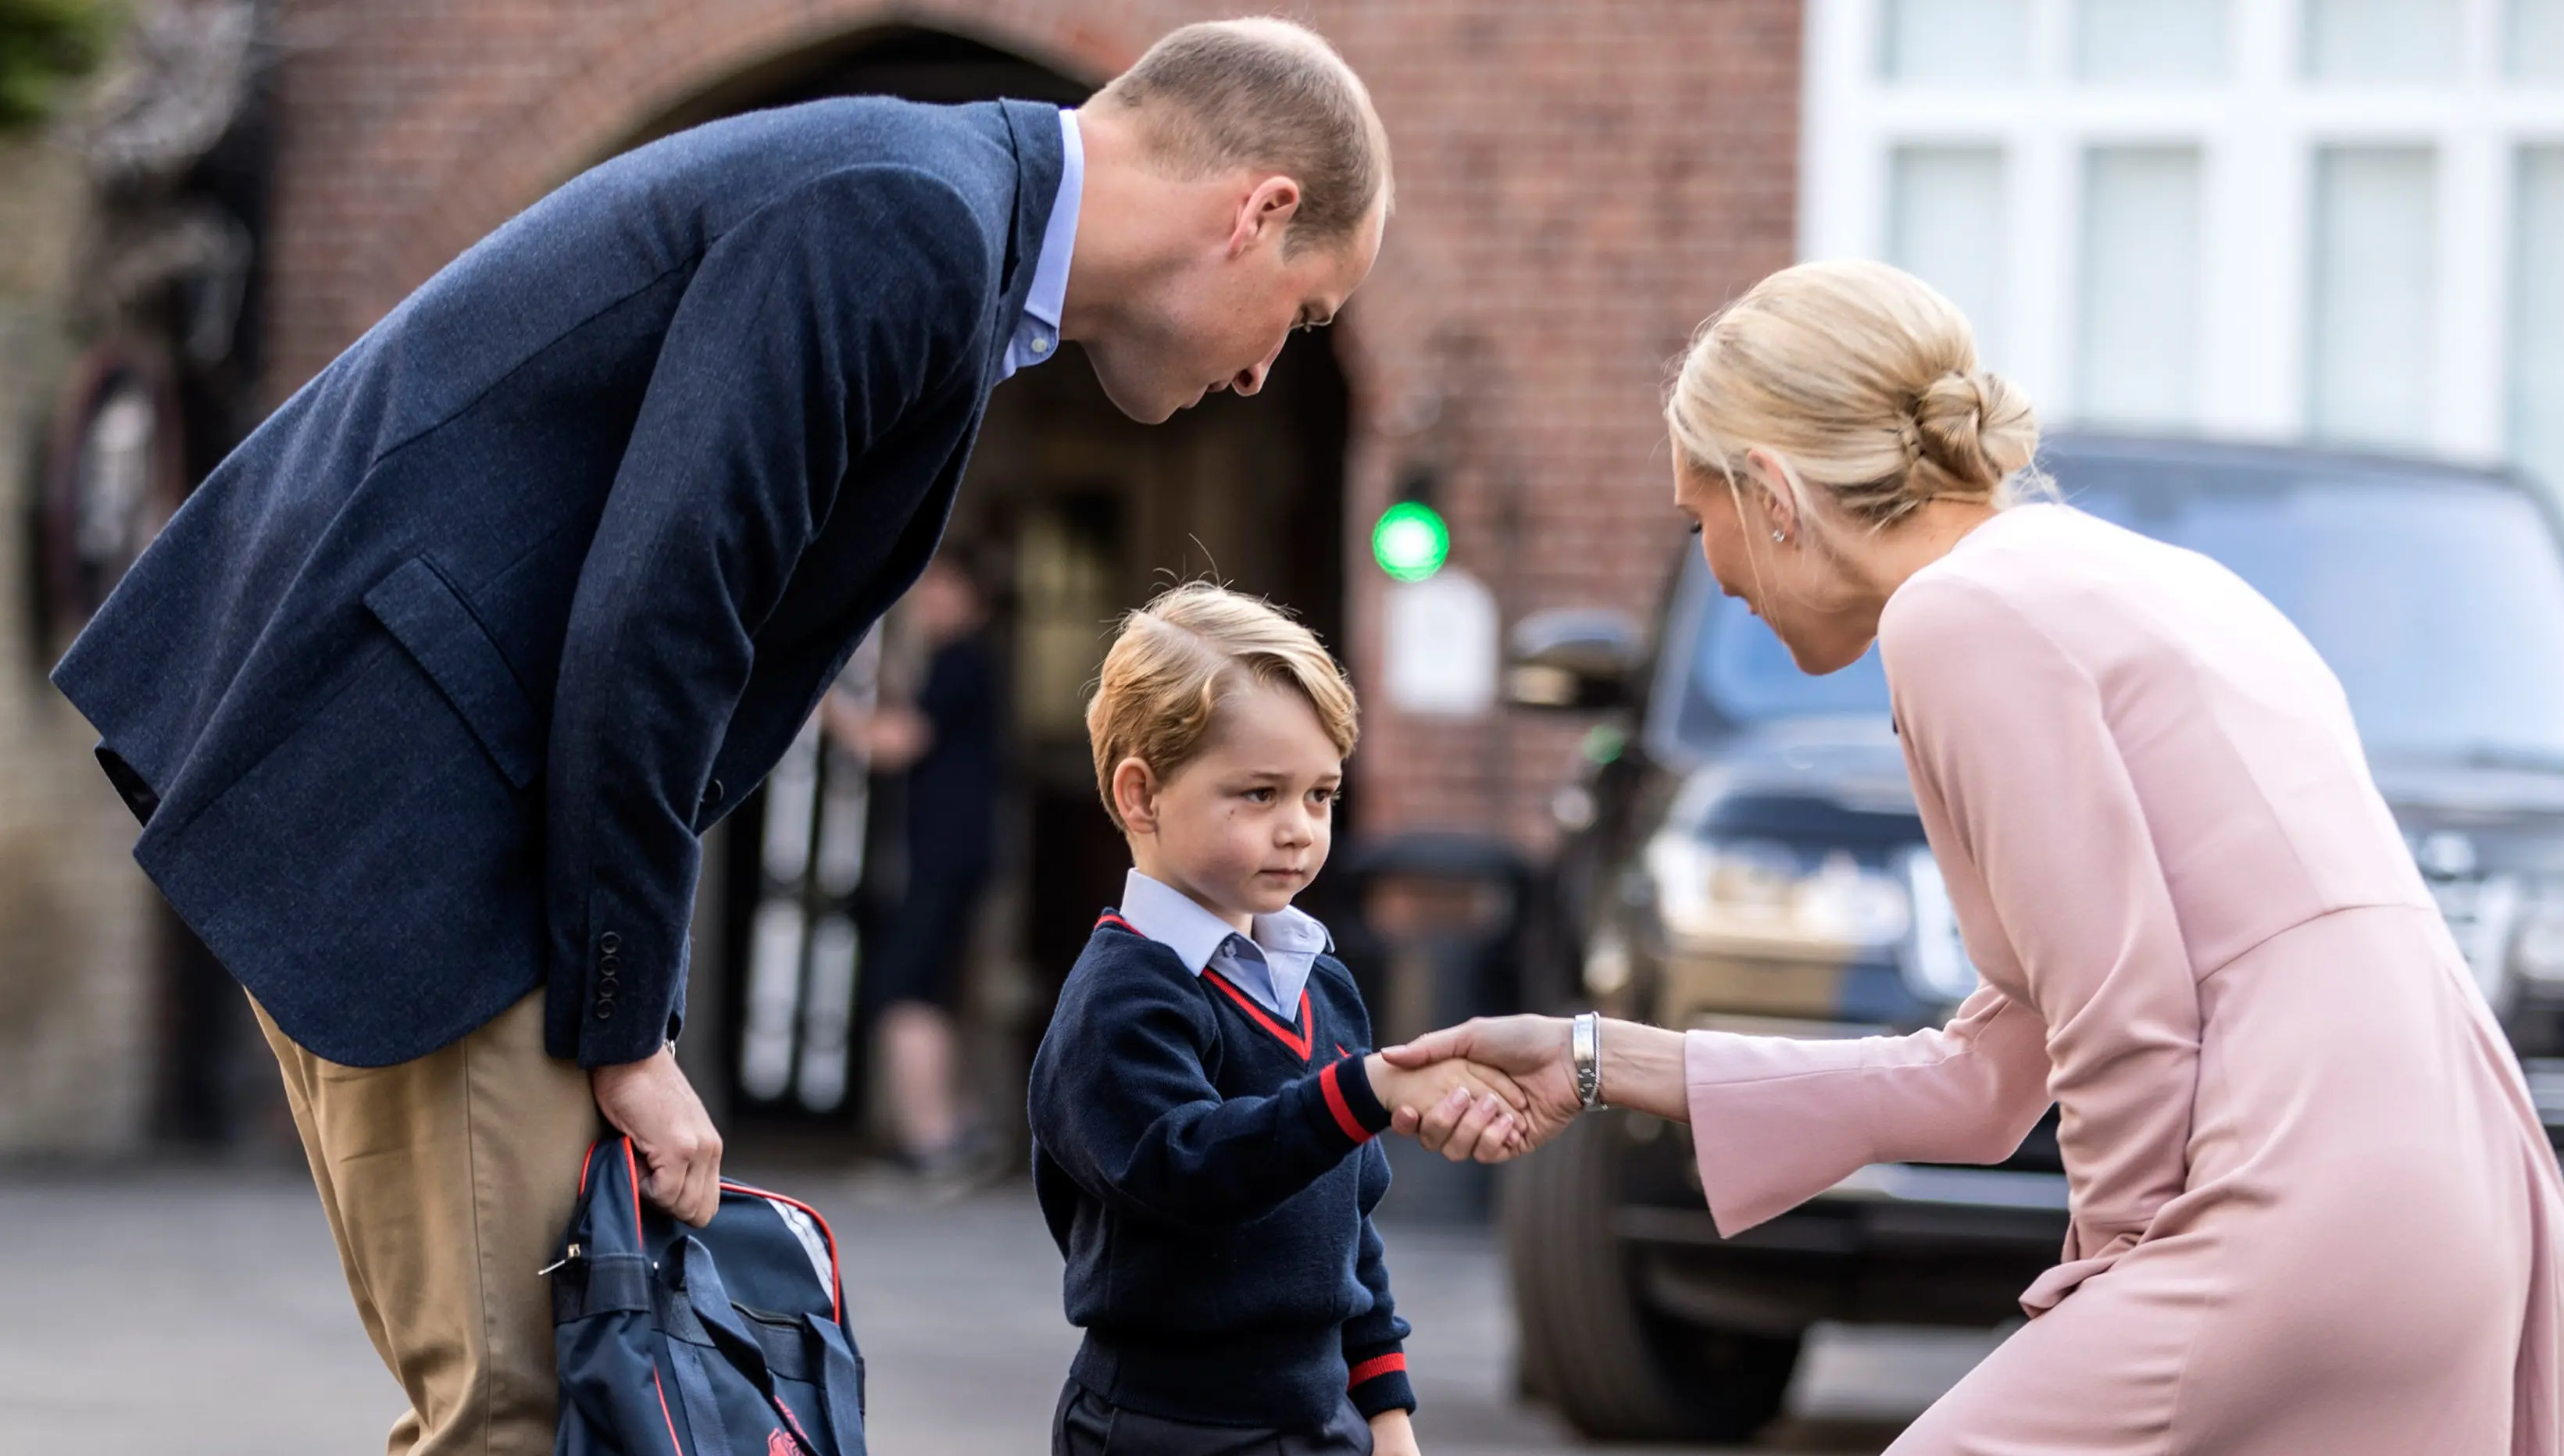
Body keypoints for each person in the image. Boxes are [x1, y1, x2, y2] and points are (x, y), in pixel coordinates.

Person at [48, 18, 1391, 1456]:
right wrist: (629, 1023)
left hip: (410, 782)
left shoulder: (931, 208)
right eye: (1303, 316)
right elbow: (659, 616)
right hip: (429, 806)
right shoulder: (907, 218)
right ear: (1257, 214)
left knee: (554, 1401)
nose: (1266, 373)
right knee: (538, 1410)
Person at [1387, 260, 2564, 1453]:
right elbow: (1988, 1073)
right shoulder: (2138, 579)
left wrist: (2110, 1279)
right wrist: (1591, 1058)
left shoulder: (1959, 618)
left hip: (2298, 1205)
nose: (1721, 571)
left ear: (1774, 493)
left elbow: (2124, 1019)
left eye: (1702, 523)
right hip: (2458, 1189)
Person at [1027, 583, 1526, 1456]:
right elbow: (1191, 1171)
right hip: (1165, 1428)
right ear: (1141, 795)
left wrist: (1390, 1419)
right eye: (1258, 794)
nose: (1298, 829)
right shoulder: (1118, 1001)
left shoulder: (1321, 983)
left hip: (1320, 1421)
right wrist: (1362, 1090)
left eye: (1321, 794)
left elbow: (1348, 1234)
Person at [820, 551, 1002, 1180]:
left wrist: (818, 703)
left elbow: (891, 744)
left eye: (938, 590)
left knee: (902, 987)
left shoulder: (961, 660)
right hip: (949, 854)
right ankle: (959, 1129)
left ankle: (934, 1143)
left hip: (943, 854)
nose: (923, 604)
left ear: (971, 598)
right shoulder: (955, 664)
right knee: (925, 986)